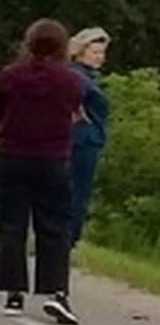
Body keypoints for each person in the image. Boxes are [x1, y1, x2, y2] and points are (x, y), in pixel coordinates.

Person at [0, 18, 85, 325]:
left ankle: (13, 292)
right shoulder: (70, 81)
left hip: (12, 155)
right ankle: (55, 291)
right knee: (55, 226)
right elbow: (73, 111)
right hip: (52, 159)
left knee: (11, 224)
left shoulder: (10, 76)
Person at [68, 27, 111, 247]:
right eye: (95, 52)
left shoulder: (88, 77)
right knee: (78, 192)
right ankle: (68, 239)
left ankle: (65, 237)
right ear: (81, 51)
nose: (100, 58)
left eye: (102, 53)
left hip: (87, 138)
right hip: (83, 140)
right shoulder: (78, 76)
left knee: (73, 190)